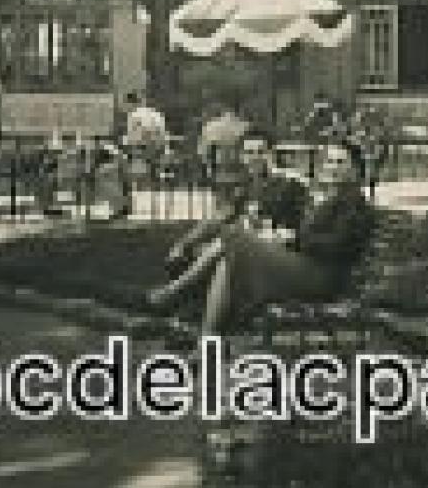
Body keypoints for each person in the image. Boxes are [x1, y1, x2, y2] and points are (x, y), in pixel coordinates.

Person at [148, 138, 374, 336]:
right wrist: (287, 237)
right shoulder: (333, 197)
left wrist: (293, 240)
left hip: (323, 277)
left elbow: (337, 246)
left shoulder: (354, 203)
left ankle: (175, 293)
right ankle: (205, 336)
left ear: (355, 169)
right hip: (307, 266)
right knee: (230, 257)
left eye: (340, 162)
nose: (332, 167)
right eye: (330, 161)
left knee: (234, 237)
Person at [163, 131, 309, 273]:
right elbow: (218, 217)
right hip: (250, 245)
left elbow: (303, 227)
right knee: (202, 252)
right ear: (242, 156)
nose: (255, 157)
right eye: (249, 152)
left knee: (226, 245)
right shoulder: (246, 186)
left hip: (282, 251)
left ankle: (170, 292)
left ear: (271, 154)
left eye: (261, 152)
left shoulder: (289, 183)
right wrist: (184, 243)